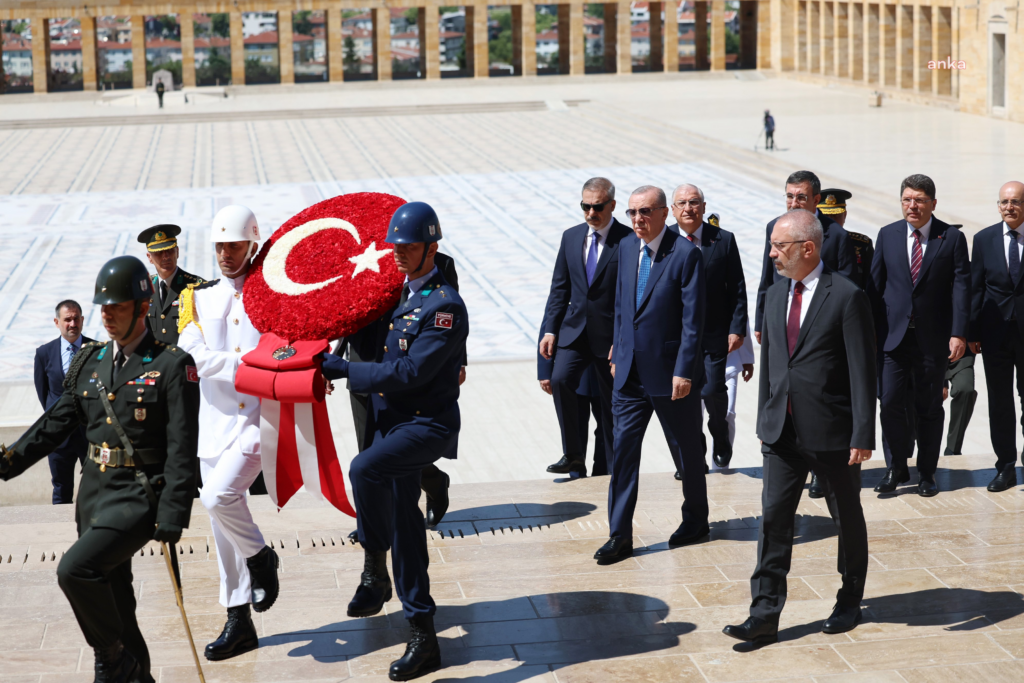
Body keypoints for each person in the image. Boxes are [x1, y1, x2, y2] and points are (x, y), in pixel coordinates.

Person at [1, 255, 199, 683]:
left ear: (143, 308)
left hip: (137, 497)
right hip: (93, 496)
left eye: (118, 307)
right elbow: (56, 422)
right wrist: (10, 461)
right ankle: (135, 671)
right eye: (103, 308)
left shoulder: (171, 365)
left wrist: (173, 512)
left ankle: (110, 660)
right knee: (116, 599)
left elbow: (183, 447)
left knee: (75, 570)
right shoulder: (89, 362)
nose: (107, 317)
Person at [321, 201, 468, 681]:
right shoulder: (397, 295)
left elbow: (411, 371)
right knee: (409, 533)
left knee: (365, 470)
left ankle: (373, 556)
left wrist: (345, 371)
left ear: (431, 247)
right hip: (393, 425)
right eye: (395, 247)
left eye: (407, 247)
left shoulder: (443, 305)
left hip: (426, 425)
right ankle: (422, 635)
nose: (398, 254)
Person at [723, 209, 875, 645]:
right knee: (773, 520)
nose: (771, 254)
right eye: (771, 245)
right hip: (781, 433)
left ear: (808, 248)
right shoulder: (773, 294)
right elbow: (772, 363)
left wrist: (863, 433)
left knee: (846, 517)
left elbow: (862, 370)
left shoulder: (846, 296)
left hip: (832, 432)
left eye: (779, 246)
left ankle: (849, 599)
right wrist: (763, 418)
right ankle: (764, 614)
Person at [177, 205, 280, 661]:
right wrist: (249, 364)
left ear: (252, 244)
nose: (225, 254)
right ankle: (238, 619)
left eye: (234, 246)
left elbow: (287, 352)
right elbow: (191, 359)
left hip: (258, 422)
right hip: (214, 426)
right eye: (219, 246)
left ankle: (262, 558)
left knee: (218, 498)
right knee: (220, 527)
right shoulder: (196, 298)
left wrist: (225, 366)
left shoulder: (273, 295)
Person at [594, 185, 707, 566]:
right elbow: (622, 305)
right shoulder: (626, 248)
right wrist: (616, 347)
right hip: (628, 376)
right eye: (632, 213)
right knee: (623, 453)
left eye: (645, 212)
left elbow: (693, 321)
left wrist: (685, 371)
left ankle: (696, 520)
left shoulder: (686, 255)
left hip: (671, 376)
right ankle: (619, 535)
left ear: (664, 214)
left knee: (687, 452)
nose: (637, 220)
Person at [335, 250, 464, 529]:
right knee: (368, 449)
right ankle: (374, 522)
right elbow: (342, 309)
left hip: (400, 366)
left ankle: (391, 518)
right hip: (361, 360)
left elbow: (449, 314)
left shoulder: (433, 260)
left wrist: (458, 363)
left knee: (393, 449)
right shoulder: (352, 256)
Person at [755, 172, 855, 498]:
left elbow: (846, 287)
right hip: (783, 325)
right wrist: (761, 321)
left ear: (816, 200)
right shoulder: (775, 227)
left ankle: (818, 465)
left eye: (801, 197)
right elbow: (767, 280)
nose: (794, 203)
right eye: (789, 196)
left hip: (820, 333)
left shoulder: (836, 236)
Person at [872, 174, 971, 497]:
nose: (912, 206)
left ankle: (927, 473)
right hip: (892, 338)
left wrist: (958, 333)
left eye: (919, 200)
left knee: (929, 407)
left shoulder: (951, 239)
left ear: (933, 204)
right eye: (907, 200)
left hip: (932, 339)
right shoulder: (887, 235)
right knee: (889, 403)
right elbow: (876, 287)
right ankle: (895, 467)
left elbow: (960, 288)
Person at [540, 177, 632, 478]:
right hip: (574, 332)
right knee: (562, 380)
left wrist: (623, 340)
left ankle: (612, 468)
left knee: (610, 408)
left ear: (612, 205)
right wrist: (550, 331)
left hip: (609, 340)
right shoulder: (570, 237)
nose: (591, 213)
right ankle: (573, 454)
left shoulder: (629, 241)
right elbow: (559, 290)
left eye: (598, 207)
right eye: (585, 206)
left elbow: (632, 296)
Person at [668, 187, 747, 468]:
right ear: (673, 209)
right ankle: (694, 454)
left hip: (714, 333)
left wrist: (738, 327)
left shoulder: (722, 240)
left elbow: (737, 287)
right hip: (675, 336)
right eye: (682, 203)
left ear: (703, 206)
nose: (688, 208)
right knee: (683, 399)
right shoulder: (663, 240)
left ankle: (720, 434)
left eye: (694, 202)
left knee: (712, 390)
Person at [969, 181, 1024, 491]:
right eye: (1004, 202)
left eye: (1015, 201)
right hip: (995, 335)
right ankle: (1005, 466)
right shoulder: (985, 239)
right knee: (1000, 403)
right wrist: (973, 332)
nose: (1009, 207)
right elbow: (976, 288)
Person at [34, 300, 94, 504]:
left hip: (90, 435)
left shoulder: (97, 351)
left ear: (83, 320)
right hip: (59, 438)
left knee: (96, 488)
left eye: (76, 318)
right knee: (61, 488)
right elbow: (44, 393)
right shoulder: (44, 353)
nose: (72, 323)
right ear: (57, 322)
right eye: (67, 319)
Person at [538, 334, 607, 477]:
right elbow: (550, 322)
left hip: (605, 367)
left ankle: (602, 475)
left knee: (606, 428)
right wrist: (545, 370)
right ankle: (576, 475)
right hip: (572, 370)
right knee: (575, 424)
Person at [137, 224, 205, 346]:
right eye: (159, 253)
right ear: (149, 257)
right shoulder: (145, 288)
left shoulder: (196, 287)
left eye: (169, 250)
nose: (166, 257)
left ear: (177, 252)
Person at [818, 188, 874, 290]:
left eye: (836, 215)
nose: (831, 221)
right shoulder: (812, 243)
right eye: (826, 216)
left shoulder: (862, 244)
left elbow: (870, 283)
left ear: (845, 215)